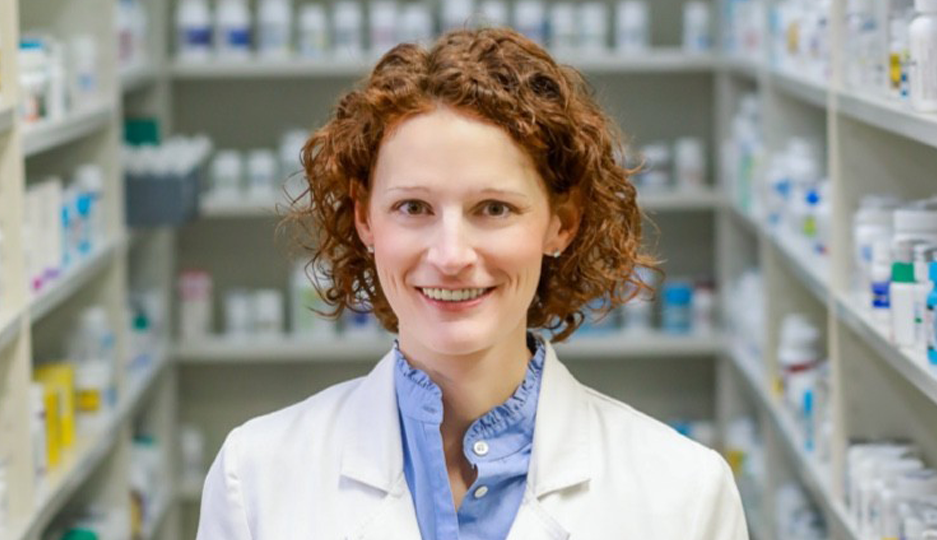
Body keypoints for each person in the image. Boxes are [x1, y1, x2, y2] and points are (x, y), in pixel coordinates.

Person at [197, 27, 748, 539]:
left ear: (562, 222)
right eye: (413, 207)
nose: (451, 255)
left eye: (493, 208)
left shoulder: (685, 495)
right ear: (366, 220)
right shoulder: (256, 479)